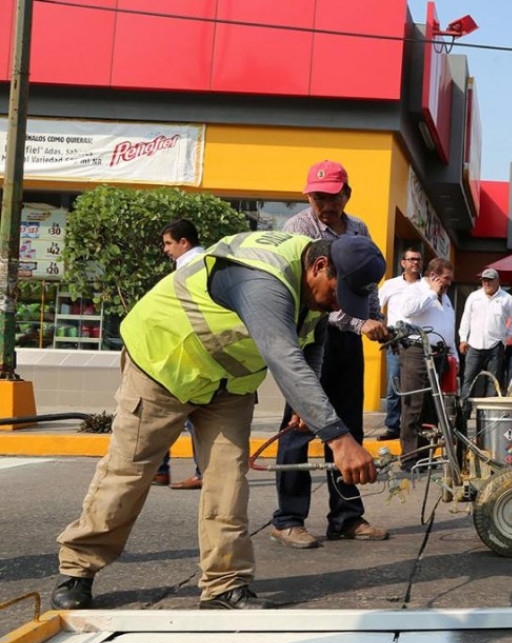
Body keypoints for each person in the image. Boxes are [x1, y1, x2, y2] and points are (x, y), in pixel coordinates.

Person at [52, 232, 383, 611]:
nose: (337, 305)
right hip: (165, 363)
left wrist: (304, 406)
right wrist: (339, 438)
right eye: (338, 293)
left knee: (228, 482)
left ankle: (225, 585)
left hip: (227, 384)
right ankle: (78, 568)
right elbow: (284, 356)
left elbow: (312, 343)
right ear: (320, 266)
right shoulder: (265, 280)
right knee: (129, 472)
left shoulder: (313, 289)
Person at [270, 160, 390, 550]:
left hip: (348, 341)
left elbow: (366, 283)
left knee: (348, 426)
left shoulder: (358, 229)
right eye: (317, 197)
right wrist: (359, 323)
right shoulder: (298, 229)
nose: (325, 205)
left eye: (332, 197)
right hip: (310, 333)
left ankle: (346, 516)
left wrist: (375, 319)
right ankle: (289, 519)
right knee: (300, 425)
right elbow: (318, 293)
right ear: (308, 197)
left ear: (347, 195)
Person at [157, 218, 207, 491]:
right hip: (192, 352)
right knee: (182, 415)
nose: (165, 249)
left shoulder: (191, 267)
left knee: (176, 413)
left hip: (189, 353)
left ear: (184, 242)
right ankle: (161, 468)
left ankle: (165, 469)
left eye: (168, 243)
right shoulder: (199, 262)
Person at [397, 257, 458, 469]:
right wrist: (431, 293)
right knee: (414, 404)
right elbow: (408, 310)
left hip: (440, 354)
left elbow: (448, 325)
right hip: (417, 351)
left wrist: (454, 355)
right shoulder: (416, 290)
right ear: (433, 275)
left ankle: (425, 455)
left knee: (431, 407)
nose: (449, 282)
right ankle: (410, 457)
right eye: (446, 278)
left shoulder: (445, 297)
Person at [376, 245, 424, 441]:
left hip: (418, 341)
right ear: (403, 263)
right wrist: (382, 328)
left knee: (414, 387)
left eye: (418, 259)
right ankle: (392, 426)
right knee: (394, 384)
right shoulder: (391, 285)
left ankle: (411, 427)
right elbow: (376, 306)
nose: (415, 263)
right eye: (411, 259)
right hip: (396, 341)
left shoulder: (426, 286)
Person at [458, 268, 512, 398]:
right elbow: (466, 318)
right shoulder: (474, 297)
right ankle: (464, 409)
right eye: (484, 280)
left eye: (490, 280)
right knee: (469, 378)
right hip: (474, 345)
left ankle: (489, 410)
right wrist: (463, 339)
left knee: (494, 381)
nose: (487, 283)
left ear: (497, 281)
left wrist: (506, 337)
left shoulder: (507, 299)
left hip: (495, 346)